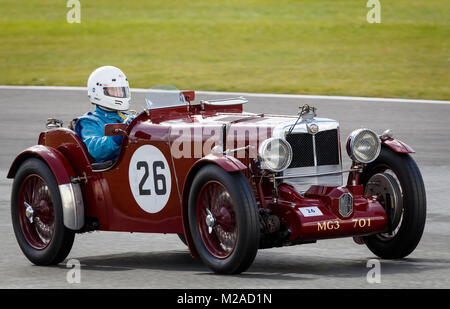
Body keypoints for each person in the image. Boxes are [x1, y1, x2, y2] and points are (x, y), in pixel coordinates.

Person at [75, 66, 134, 163]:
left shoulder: (128, 117)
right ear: (98, 91)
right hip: (112, 169)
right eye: (114, 90)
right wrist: (116, 137)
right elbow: (96, 151)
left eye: (121, 90)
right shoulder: (89, 122)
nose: (119, 94)